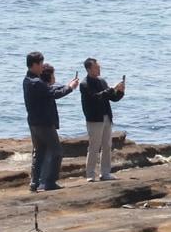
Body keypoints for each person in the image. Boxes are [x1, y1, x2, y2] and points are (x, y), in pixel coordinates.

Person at [23, 51, 79, 192]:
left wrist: (66, 86)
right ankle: (49, 182)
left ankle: (34, 182)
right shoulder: (36, 82)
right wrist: (70, 88)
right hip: (44, 123)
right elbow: (53, 93)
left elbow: (49, 89)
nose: (42, 67)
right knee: (57, 151)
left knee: (39, 151)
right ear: (34, 64)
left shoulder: (28, 80)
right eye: (41, 64)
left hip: (33, 122)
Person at [79, 57, 125, 181]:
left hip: (106, 117)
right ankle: (90, 174)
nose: (99, 69)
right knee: (94, 147)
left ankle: (105, 173)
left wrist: (119, 92)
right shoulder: (84, 84)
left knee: (107, 145)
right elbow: (95, 98)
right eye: (96, 67)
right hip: (94, 119)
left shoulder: (102, 81)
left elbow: (112, 98)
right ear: (89, 69)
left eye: (99, 67)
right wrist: (112, 89)